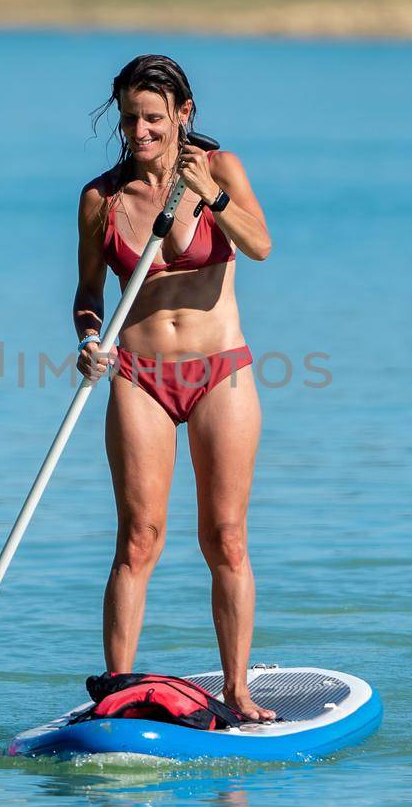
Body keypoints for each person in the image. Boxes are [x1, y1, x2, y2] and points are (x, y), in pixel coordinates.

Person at [75, 55, 275, 722]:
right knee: (138, 537)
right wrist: (87, 339)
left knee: (224, 536)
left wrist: (210, 196)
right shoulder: (101, 197)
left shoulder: (219, 169)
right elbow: (87, 293)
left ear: (183, 115)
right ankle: (116, 690)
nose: (140, 131)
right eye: (130, 119)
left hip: (220, 370)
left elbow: (260, 245)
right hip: (138, 376)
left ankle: (237, 689)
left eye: (154, 119)